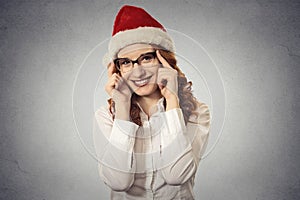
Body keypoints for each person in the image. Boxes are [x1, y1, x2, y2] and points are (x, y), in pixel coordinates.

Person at [93, 5, 211, 200]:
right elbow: (118, 182)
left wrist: (172, 101)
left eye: (146, 58)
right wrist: (122, 108)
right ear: (118, 70)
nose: (137, 71)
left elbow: (177, 175)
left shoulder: (198, 111)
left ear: (164, 61)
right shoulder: (105, 116)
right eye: (126, 62)